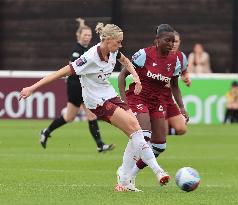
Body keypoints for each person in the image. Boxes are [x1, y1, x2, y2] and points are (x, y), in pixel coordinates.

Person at [19, 22, 170, 192]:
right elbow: (59, 73)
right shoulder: (89, 57)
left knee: (136, 133)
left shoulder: (113, 52)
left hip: (110, 94)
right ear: (107, 40)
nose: (120, 45)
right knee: (135, 129)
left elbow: (126, 61)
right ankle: (158, 171)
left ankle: (125, 178)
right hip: (96, 101)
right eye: (118, 42)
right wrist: (32, 88)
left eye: (121, 42)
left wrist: (136, 78)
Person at [117, 24, 188, 189]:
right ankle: (129, 174)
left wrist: (182, 108)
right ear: (157, 40)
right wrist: (124, 102)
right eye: (167, 40)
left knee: (159, 145)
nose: (171, 44)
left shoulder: (176, 60)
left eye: (173, 41)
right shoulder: (144, 55)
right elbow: (122, 75)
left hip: (157, 102)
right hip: (137, 97)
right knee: (144, 135)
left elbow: (175, 86)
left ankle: (129, 176)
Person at [40, 18, 115, 153]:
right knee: (91, 115)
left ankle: (46, 131)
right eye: (85, 35)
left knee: (69, 117)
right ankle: (100, 145)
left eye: (89, 35)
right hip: (76, 86)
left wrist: (81, 24)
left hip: (79, 85)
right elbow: (74, 68)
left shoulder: (85, 49)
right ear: (78, 36)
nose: (87, 37)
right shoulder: (77, 50)